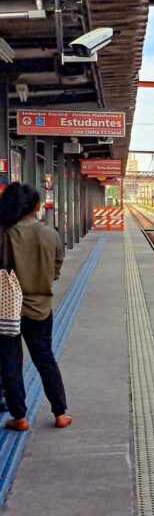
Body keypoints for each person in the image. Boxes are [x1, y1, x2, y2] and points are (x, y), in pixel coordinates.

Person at [0, 183, 70, 431]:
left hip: (8, 309)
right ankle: (60, 413)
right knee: (45, 358)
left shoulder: (6, 234)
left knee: (10, 361)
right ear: (36, 207)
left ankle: (19, 417)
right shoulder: (50, 234)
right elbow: (57, 268)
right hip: (40, 308)